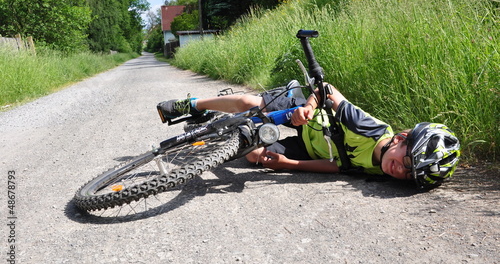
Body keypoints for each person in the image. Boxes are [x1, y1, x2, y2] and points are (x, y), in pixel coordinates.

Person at [157, 81, 461, 189]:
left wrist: (287, 165)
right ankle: (193, 105)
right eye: (407, 162)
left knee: (253, 153)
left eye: (410, 176)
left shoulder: (379, 170)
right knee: (253, 105)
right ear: (401, 139)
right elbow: (326, 89)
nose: (400, 171)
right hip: (306, 116)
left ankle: (218, 124)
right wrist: (310, 106)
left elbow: (338, 167)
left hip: (310, 148)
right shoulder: (370, 129)